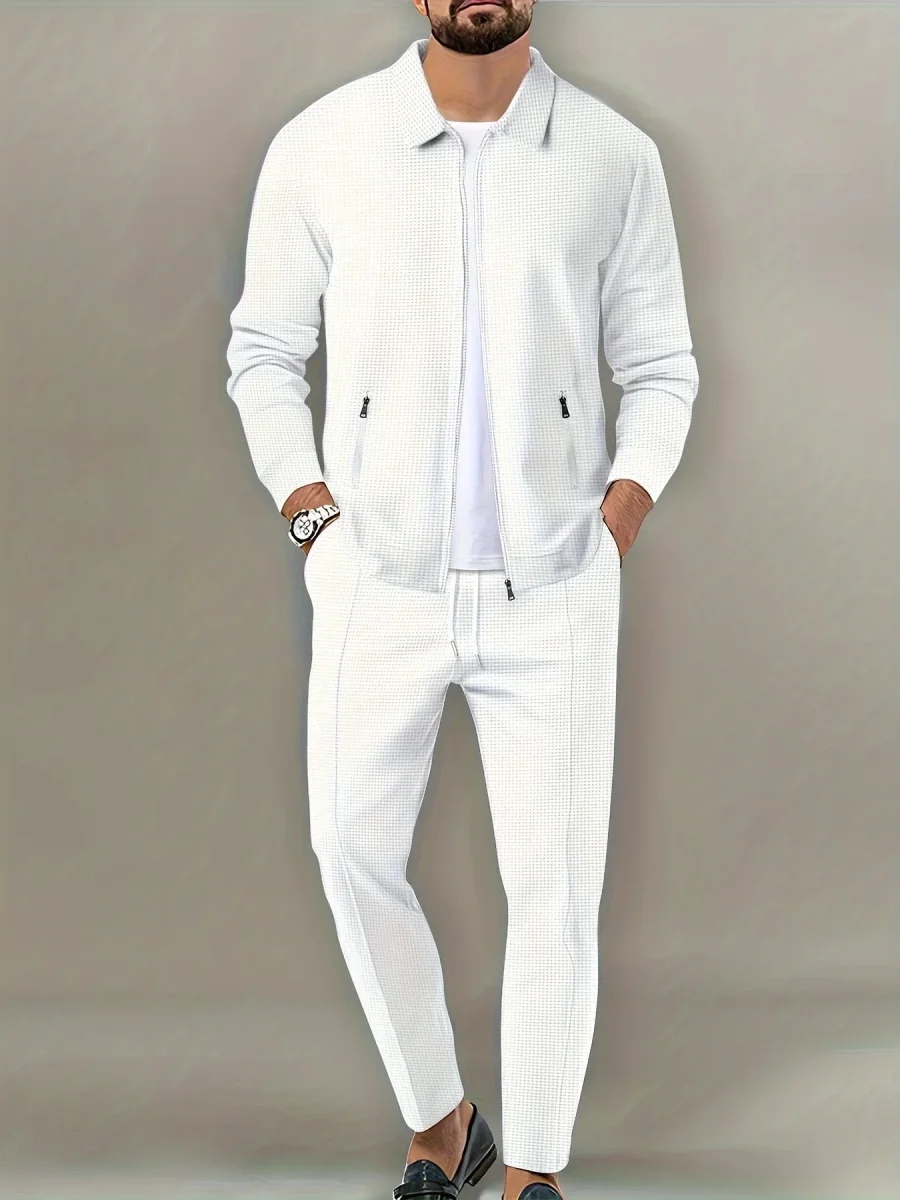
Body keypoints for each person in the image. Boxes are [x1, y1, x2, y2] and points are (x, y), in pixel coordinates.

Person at [225, 2, 699, 1196]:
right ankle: (443, 1121)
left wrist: (618, 517)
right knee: (349, 847)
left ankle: (533, 1170)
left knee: (557, 890)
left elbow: (660, 366)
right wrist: (315, 518)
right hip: (378, 576)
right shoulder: (325, 145)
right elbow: (265, 352)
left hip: (556, 581)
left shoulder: (613, 156)